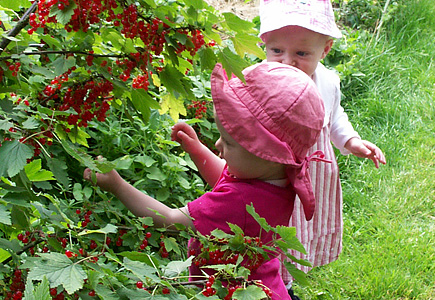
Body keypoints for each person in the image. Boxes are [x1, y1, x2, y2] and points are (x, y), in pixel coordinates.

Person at [84, 62, 328, 300]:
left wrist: (117, 185)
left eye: (229, 142)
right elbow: (225, 175)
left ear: (270, 155)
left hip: (231, 292)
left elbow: (169, 219)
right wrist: (197, 150)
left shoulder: (237, 203)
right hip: (265, 284)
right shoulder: (277, 176)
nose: (218, 145)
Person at [258, 0, 387, 297]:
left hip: (312, 177)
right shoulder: (260, 80)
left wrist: (352, 142)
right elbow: (242, 119)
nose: (287, 61)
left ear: (324, 50)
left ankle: (285, 284)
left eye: (301, 53)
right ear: (265, 43)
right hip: (270, 174)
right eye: (277, 51)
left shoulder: (327, 82)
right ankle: (270, 282)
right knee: (270, 230)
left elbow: (335, 117)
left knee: (297, 232)